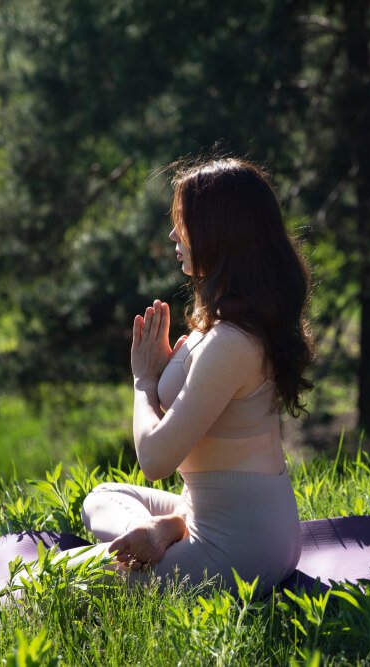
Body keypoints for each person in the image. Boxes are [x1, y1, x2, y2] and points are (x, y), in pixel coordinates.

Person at [77, 158, 314, 593]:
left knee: (57, 579)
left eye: (183, 222)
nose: (173, 235)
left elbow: (154, 460)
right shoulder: (228, 326)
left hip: (240, 549)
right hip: (224, 517)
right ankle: (165, 528)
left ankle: (164, 532)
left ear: (219, 234)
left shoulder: (233, 343)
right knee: (101, 499)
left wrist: (144, 383)